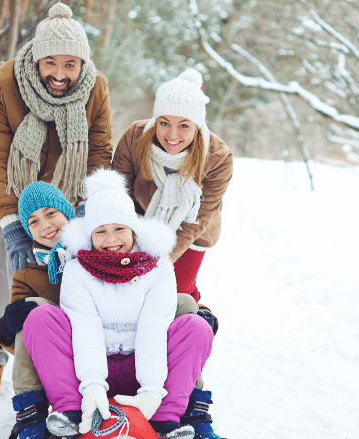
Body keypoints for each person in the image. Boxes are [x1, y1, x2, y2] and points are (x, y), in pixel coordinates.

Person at [0, 1, 113, 399]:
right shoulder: (3, 83)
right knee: (3, 264)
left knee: (68, 275)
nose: (60, 74)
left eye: (71, 65)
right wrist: (13, 223)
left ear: (83, 63)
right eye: (51, 63)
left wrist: (84, 207)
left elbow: (99, 149)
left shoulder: (95, 87)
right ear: (36, 58)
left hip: (67, 198)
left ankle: (61, 361)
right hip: (9, 196)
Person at [0, 179, 202, 439]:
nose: (45, 225)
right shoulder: (31, 272)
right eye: (33, 221)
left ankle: (189, 412)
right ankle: (39, 415)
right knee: (35, 312)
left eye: (51, 214)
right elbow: (32, 342)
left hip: (138, 358)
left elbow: (160, 318)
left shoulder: (153, 265)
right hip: (73, 363)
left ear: (69, 217)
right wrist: (6, 327)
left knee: (189, 311)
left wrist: (198, 316)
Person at [112, 69, 232, 439]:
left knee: (177, 302)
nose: (172, 134)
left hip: (190, 235)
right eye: (164, 122)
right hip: (137, 225)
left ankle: (193, 403)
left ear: (198, 126)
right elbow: (117, 197)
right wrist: (130, 248)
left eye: (184, 125)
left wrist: (159, 260)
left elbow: (196, 221)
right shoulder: (135, 136)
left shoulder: (218, 156)